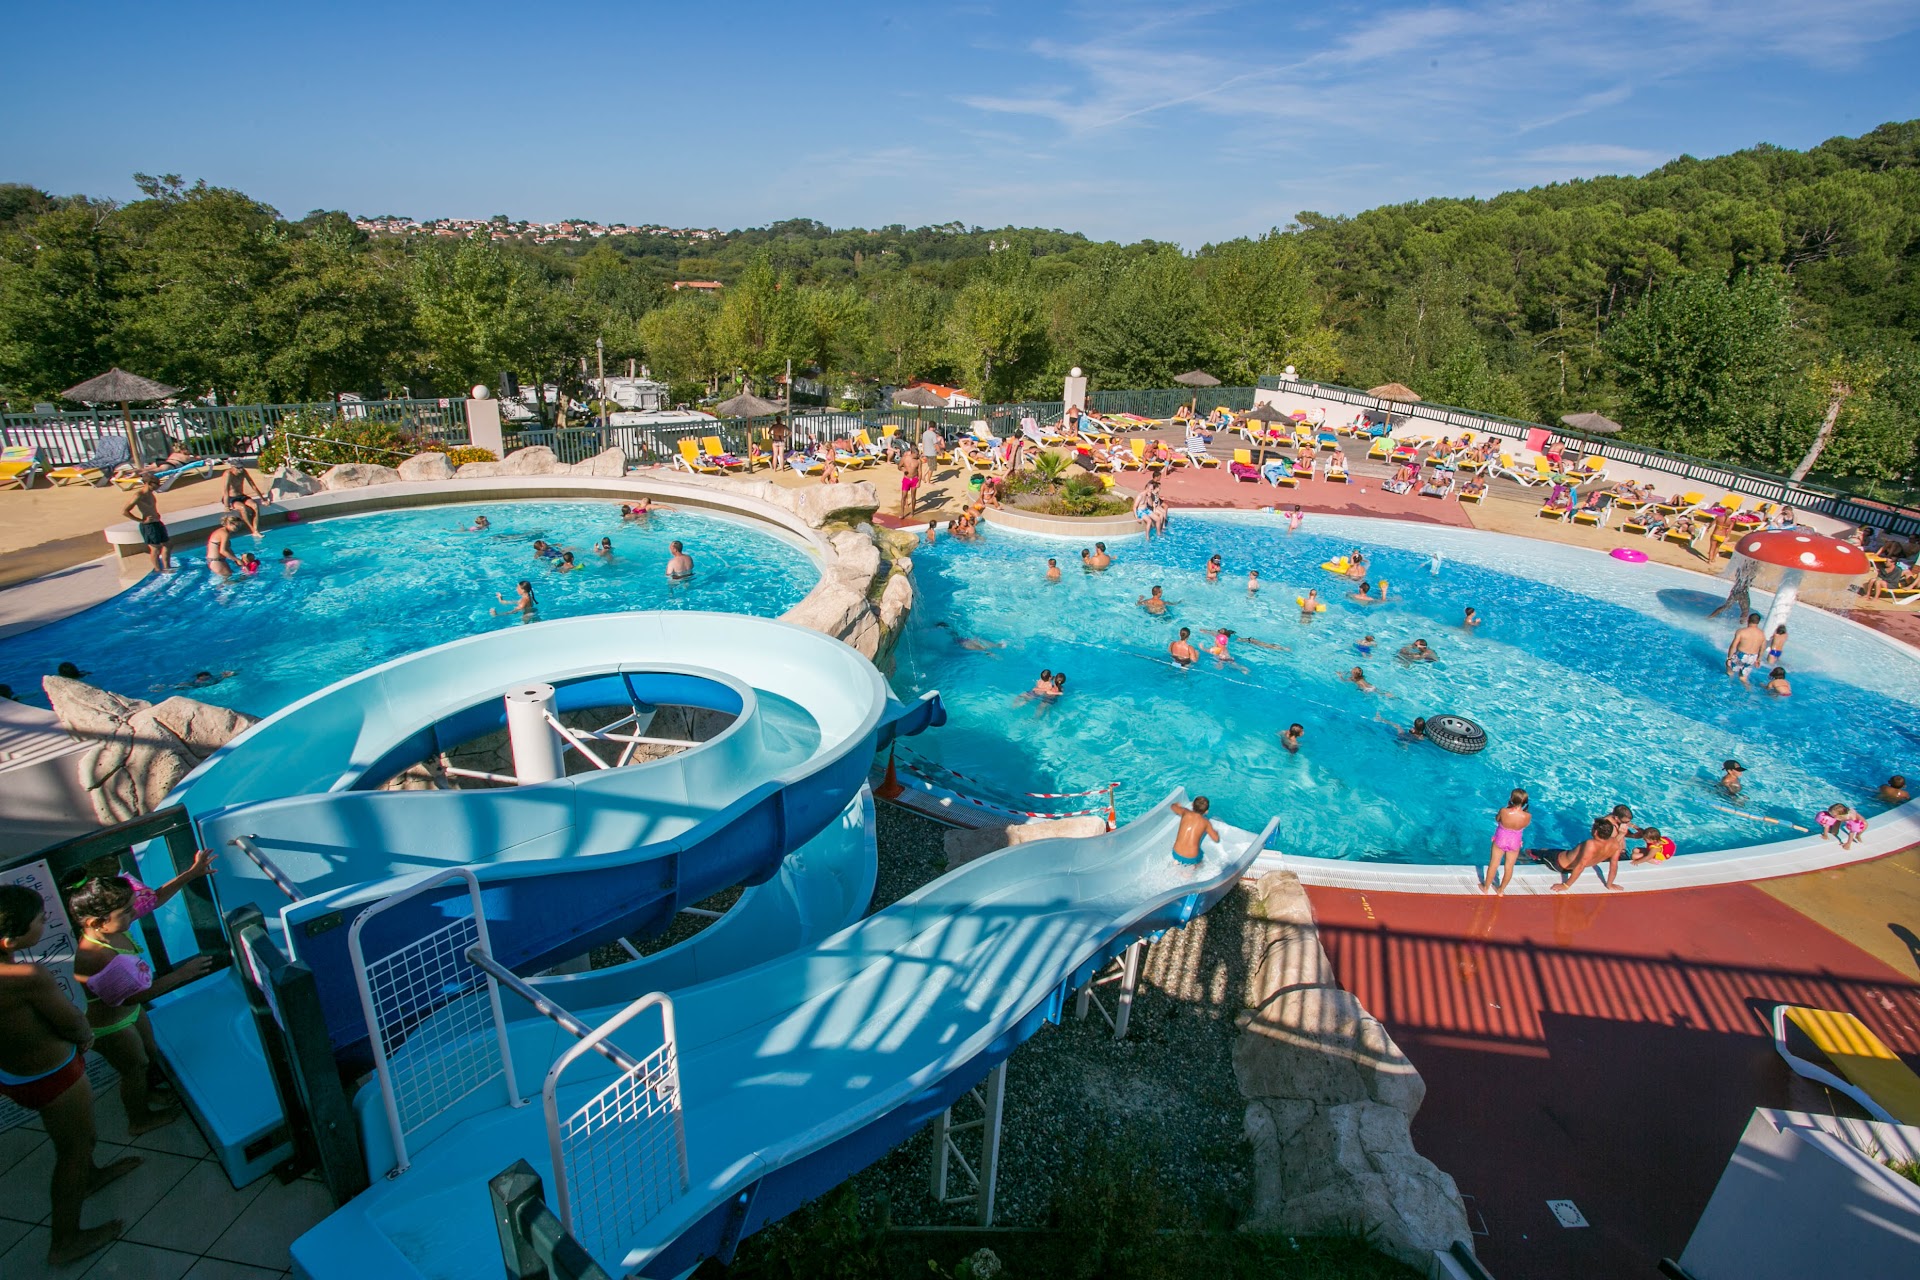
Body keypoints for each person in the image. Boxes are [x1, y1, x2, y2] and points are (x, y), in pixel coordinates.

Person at [1, 884, 141, 1266]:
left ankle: (91, 1177)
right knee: (75, 1149)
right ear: (9, 936)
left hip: (15, 1075)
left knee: (74, 1142)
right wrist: (84, 1040)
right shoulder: (24, 975)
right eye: (40, 919)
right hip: (54, 1075)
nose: (46, 920)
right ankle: (65, 1240)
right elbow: (72, 1022)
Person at [69, 873, 217, 1138]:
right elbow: (131, 997)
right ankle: (139, 1119)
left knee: (148, 1052)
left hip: (129, 1013)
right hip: (110, 1026)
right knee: (133, 1069)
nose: (133, 913)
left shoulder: (112, 926)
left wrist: (193, 872)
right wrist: (182, 974)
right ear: (96, 923)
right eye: (126, 912)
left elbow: (154, 900)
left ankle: (147, 1091)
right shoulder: (97, 955)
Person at [1551, 816, 1624, 892]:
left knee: (1541, 852)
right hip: (1565, 858)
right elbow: (1614, 866)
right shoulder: (1615, 843)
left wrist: (1566, 885)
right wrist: (1609, 884)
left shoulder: (1591, 844)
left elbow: (1580, 866)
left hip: (1558, 863)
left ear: (1595, 832)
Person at [1484, 789, 1532, 895]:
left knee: (1493, 864)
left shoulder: (1504, 811)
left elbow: (1497, 819)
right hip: (1515, 842)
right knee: (1509, 867)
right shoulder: (1527, 816)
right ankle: (1500, 890)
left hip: (1501, 839)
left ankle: (1486, 888)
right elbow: (1524, 826)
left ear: (1511, 799)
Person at [122, 480, 172, 574]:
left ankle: (167, 567)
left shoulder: (151, 494)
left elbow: (151, 508)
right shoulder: (139, 495)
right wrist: (142, 521)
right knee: (155, 548)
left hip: (157, 522)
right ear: (148, 483)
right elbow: (125, 511)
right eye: (155, 485)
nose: (158, 486)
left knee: (168, 544)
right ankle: (158, 570)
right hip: (149, 526)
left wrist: (156, 514)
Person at [220, 460, 266, 535]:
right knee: (243, 508)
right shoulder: (228, 474)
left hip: (241, 496)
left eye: (241, 467)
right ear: (232, 467)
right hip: (231, 498)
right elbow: (226, 490)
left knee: (255, 506)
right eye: (238, 468)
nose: (240, 469)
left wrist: (263, 499)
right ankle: (253, 530)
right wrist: (226, 506)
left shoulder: (243, 472)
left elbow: (253, 486)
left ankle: (256, 529)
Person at [1169, 796, 1219, 865]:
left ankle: (1176, 862)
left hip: (1176, 852)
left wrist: (1176, 805)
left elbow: (1172, 807)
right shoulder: (1206, 823)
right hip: (1191, 858)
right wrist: (1216, 833)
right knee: (1200, 859)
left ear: (1192, 804)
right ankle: (1191, 870)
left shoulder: (1185, 812)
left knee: (1179, 856)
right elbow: (1216, 839)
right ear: (1206, 811)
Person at [1726, 612, 1765, 681]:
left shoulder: (1741, 631)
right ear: (1758, 622)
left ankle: (1729, 683)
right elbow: (1762, 648)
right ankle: (1748, 689)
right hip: (1753, 657)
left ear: (1748, 620)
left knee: (1730, 670)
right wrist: (1758, 660)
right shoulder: (1762, 634)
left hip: (1741, 655)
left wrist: (1729, 658)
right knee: (1743, 677)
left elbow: (1733, 646)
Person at [898, 447, 923, 518]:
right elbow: (899, 466)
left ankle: (912, 512)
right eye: (917, 454)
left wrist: (919, 481)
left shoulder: (918, 461)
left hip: (914, 479)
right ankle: (902, 513)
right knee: (903, 496)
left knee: (913, 497)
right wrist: (903, 469)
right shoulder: (905, 458)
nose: (918, 455)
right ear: (913, 453)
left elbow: (920, 472)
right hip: (906, 479)